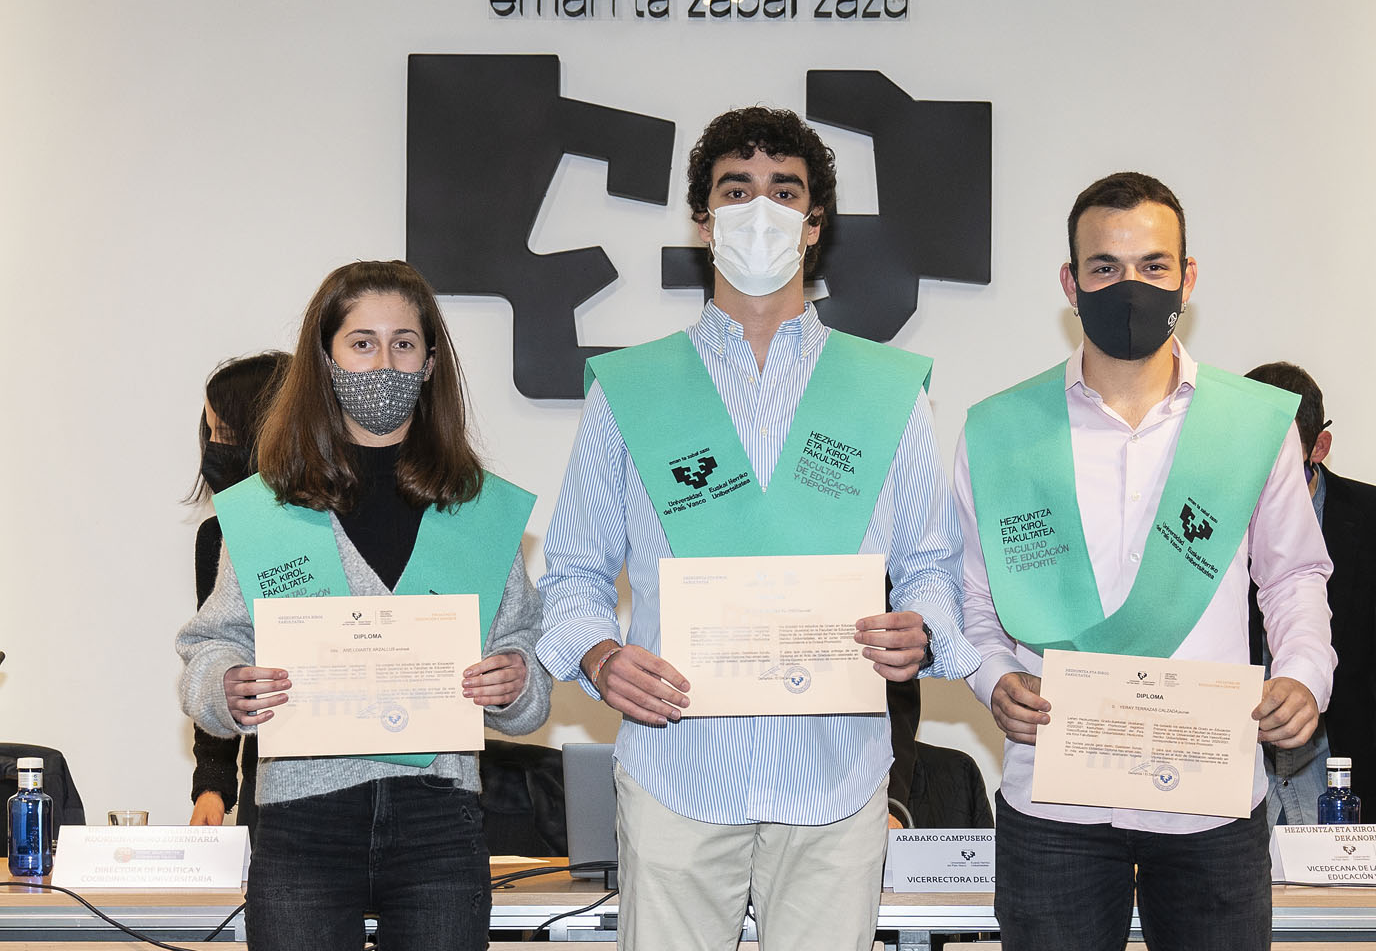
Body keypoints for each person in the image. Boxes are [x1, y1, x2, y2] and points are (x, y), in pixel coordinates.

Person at [536, 106, 980, 951]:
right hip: (676, 768)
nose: (760, 211)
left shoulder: (889, 391)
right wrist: (599, 656)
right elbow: (575, 575)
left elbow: (930, 564)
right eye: (737, 191)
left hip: (836, 771)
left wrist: (920, 628)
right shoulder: (630, 390)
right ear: (703, 221)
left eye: (785, 192)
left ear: (815, 224)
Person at [955, 172, 1336, 951]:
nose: (1129, 286)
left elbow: (1294, 576)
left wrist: (1303, 674)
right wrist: (993, 680)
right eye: (1105, 267)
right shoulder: (999, 431)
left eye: (1153, 265)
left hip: (1212, 799)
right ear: (1071, 284)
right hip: (1054, 801)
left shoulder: (1253, 426)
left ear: (1187, 279)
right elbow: (974, 600)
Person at [177, 260, 551, 951]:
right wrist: (224, 686)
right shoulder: (267, 510)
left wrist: (517, 680)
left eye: (404, 343)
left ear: (431, 363)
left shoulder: (477, 509)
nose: (384, 363)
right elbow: (211, 646)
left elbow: (526, 666)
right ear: (326, 360)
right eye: (361, 343)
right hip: (302, 818)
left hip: (440, 820)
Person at [1245, 361, 1376, 825]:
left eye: (1280, 462)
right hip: (1237, 796)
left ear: (1320, 447)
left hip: (1340, 792)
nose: (1265, 481)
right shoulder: (1203, 523)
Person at [186, 350, 290, 834]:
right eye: (210, 432)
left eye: (225, 432)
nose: (214, 447)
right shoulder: (218, 537)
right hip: (267, 780)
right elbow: (220, 658)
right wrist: (212, 786)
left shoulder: (346, 526)